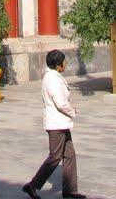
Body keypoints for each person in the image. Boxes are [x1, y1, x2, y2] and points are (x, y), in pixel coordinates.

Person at [22, 50, 85, 199]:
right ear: (58, 65)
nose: (65, 64)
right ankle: (32, 185)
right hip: (56, 123)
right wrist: (72, 111)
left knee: (69, 154)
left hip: (62, 122)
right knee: (55, 157)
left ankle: (69, 189)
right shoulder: (52, 79)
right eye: (63, 61)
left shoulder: (53, 77)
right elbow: (61, 103)